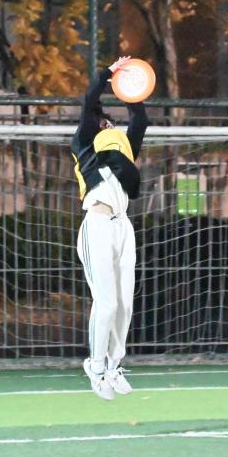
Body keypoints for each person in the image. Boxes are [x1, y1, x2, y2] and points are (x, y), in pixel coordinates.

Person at [72, 56, 149, 400]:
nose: (109, 124)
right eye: (103, 121)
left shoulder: (124, 147)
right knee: (105, 304)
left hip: (122, 228)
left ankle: (114, 365)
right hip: (97, 225)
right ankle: (96, 366)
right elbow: (90, 101)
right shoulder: (85, 144)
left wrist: (132, 87)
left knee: (124, 304)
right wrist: (109, 74)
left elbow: (140, 119)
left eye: (111, 122)